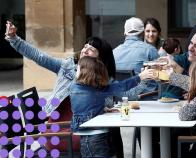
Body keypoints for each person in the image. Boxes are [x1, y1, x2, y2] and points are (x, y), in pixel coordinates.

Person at [4, 21, 125, 157]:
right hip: (61, 132)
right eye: (85, 46)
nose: (85, 49)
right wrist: (14, 39)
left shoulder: (104, 79)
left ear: (101, 58)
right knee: (104, 136)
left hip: (76, 128)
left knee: (111, 132)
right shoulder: (68, 66)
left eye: (91, 49)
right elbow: (39, 56)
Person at [70, 57, 154, 158]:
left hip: (90, 138)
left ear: (84, 72)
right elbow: (122, 86)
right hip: (96, 137)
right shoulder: (98, 90)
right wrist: (140, 77)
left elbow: (85, 104)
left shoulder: (75, 87)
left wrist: (101, 108)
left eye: (78, 68)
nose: (75, 69)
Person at [113, 17, 159, 100]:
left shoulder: (113, 52)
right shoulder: (150, 50)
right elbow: (160, 79)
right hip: (146, 100)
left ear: (124, 33)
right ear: (142, 33)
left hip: (119, 102)